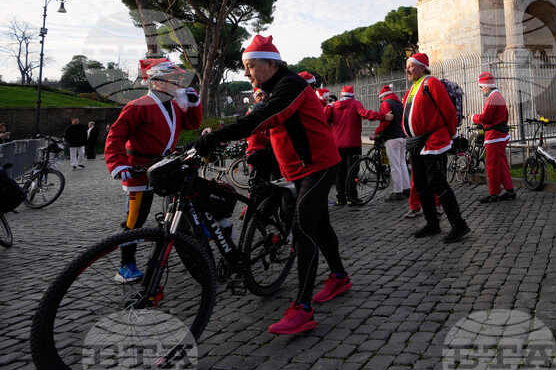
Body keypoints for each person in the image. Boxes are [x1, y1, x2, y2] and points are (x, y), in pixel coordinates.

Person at [196, 35, 350, 335]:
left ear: (271, 63)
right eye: (245, 66)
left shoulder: (290, 85)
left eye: (250, 66)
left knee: (303, 228)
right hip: (299, 169)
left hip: (318, 166)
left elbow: (265, 117)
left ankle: (303, 308)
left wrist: (216, 137)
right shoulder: (272, 89)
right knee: (320, 227)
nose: (246, 73)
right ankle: (340, 277)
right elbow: (262, 123)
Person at [105, 58, 202, 283]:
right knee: (135, 219)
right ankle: (125, 266)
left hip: (165, 168)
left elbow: (191, 125)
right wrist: (118, 163)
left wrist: (194, 104)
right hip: (140, 171)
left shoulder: (175, 106)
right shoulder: (137, 106)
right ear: (156, 82)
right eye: (173, 80)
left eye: (178, 80)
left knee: (182, 206)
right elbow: (116, 135)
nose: (178, 84)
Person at [402, 52, 470, 243]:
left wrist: (449, 135)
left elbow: (448, 110)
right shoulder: (414, 87)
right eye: (407, 66)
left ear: (422, 67)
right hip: (416, 143)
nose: (407, 69)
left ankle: (459, 225)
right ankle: (432, 223)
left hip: (433, 142)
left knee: (438, 183)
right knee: (421, 185)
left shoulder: (431, 83)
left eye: (411, 65)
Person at [328, 85, 390, 206]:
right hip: (353, 143)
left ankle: (340, 198)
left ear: (341, 95)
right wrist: (383, 116)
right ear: (352, 94)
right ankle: (352, 198)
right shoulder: (355, 104)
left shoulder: (334, 106)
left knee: (340, 172)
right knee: (352, 171)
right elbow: (366, 114)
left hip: (337, 145)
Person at [471, 72, 515, 204]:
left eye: (482, 87)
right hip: (500, 135)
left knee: (491, 166)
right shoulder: (498, 96)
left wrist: (473, 117)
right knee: (502, 164)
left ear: (486, 86)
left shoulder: (492, 98)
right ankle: (509, 190)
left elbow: (486, 118)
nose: (482, 90)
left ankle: (494, 193)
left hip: (494, 137)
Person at [372, 85, 408, 202]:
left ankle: (397, 191)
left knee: (394, 165)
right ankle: (407, 188)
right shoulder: (399, 104)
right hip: (402, 136)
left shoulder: (385, 104)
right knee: (402, 164)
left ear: (382, 96)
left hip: (391, 138)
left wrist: (376, 132)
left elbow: (386, 121)